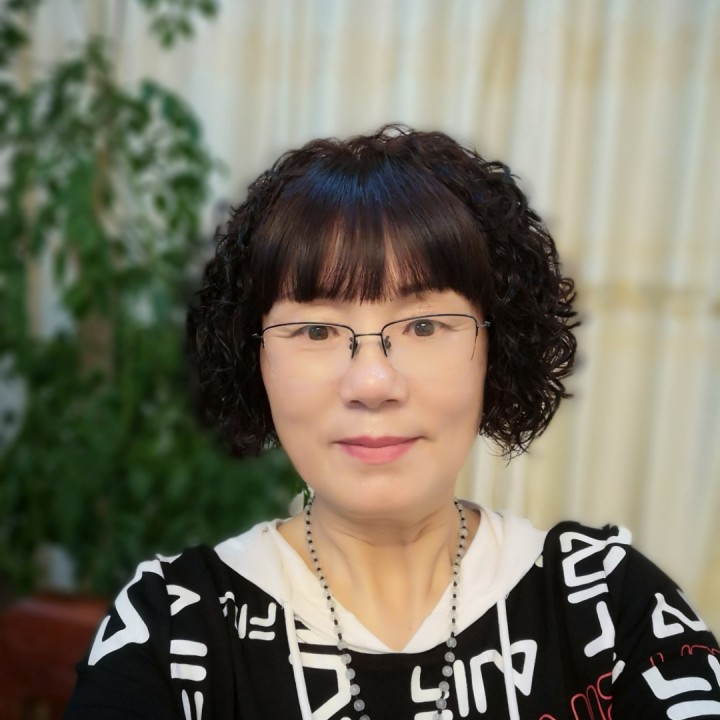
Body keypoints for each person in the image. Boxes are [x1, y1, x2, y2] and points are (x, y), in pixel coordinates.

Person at [65, 126, 720, 719]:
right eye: (317, 330)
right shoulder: (172, 626)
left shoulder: (608, 605)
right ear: (253, 357)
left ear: (496, 349)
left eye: (425, 326)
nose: (373, 384)